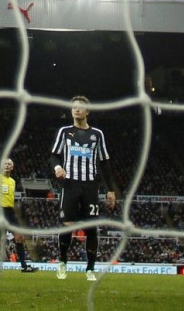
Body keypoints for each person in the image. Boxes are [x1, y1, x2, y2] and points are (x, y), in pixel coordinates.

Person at [50, 95, 117, 281]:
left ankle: (90, 269)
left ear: (88, 111)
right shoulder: (64, 132)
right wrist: (57, 168)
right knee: (66, 225)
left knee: (91, 228)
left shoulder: (97, 134)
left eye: (81, 107)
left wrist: (111, 189)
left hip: (90, 186)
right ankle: (62, 264)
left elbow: (105, 163)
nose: (77, 109)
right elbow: (54, 156)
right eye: (74, 107)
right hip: (70, 184)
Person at [0, 158, 38, 273]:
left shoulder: (13, 181)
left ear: (12, 167)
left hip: (10, 212)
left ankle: (24, 266)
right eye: (5, 164)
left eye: (9, 164)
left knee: (19, 237)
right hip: (0, 211)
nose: (7, 165)